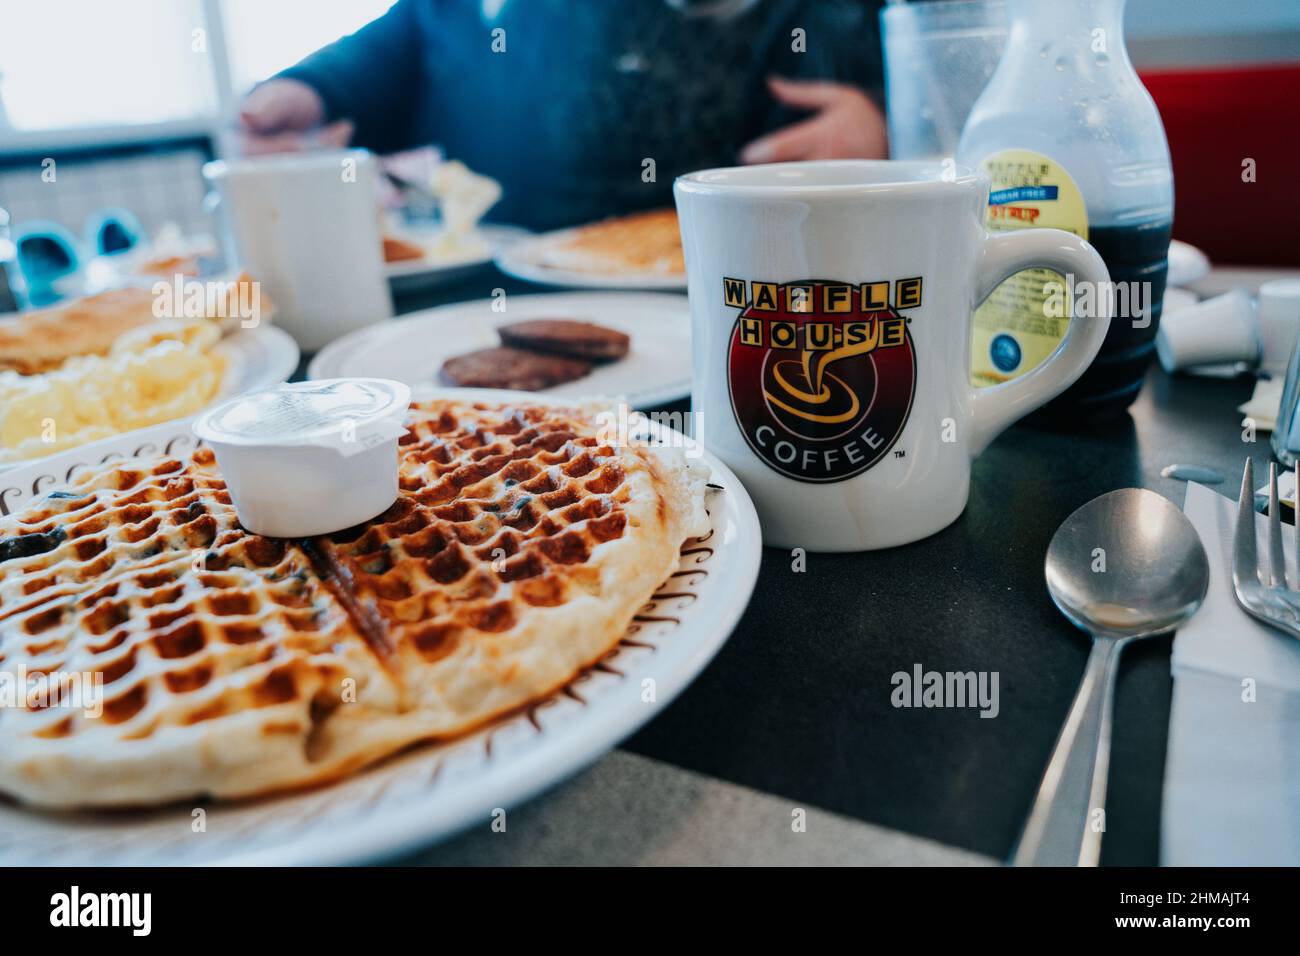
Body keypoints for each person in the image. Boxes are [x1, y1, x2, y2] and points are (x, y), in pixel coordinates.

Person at [239, 0, 889, 231]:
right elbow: (380, 53)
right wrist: (303, 89)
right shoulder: (440, 10)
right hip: (487, 279)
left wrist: (883, 120)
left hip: (698, 283)